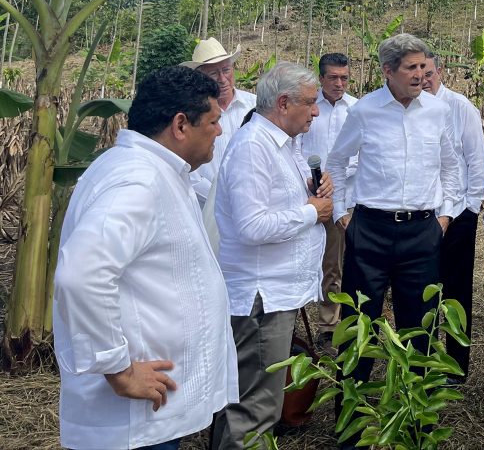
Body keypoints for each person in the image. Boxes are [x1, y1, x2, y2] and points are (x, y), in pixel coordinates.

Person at [53, 66, 237, 450]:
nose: (219, 131)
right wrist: (118, 370)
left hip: (152, 413)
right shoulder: (138, 180)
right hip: (133, 423)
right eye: (215, 121)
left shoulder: (155, 171)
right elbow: (82, 274)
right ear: (181, 125)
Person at [324, 34, 461, 387]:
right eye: (411, 68)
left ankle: (416, 419)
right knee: (358, 325)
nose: (421, 75)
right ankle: (351, 423)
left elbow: (450, 166)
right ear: (388, 71)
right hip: (370, 230)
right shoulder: (365, 111)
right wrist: (342, 212)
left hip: (422, 233)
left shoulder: (437, 111)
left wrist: (444, 217)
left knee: (420, 327)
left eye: (423, 67)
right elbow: (337, 161)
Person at [210, 62, 334, 450]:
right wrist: (311, 212)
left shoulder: (285, 144)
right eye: (311, 103)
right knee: (257, 405)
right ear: (283, 103)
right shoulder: (253, 147)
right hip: (261, 295)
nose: (316, 111)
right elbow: (253, 226)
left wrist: (314, 192)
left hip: (276, 290)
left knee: (252, 397)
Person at [421, 51, 484, 379]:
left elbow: (477, 162)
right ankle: (426, 359)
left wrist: (471, 209)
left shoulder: (461, 108)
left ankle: (457, 364)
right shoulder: (412, 109)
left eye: (430, 72)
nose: (424, 79)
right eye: (419, 72)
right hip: (422, 216)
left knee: (457, 290)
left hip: (458, 214)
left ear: (441, 71)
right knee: (423, 288)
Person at [299, 52, 359, 349]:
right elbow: (298, 148)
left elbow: (363, 155)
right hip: (318, 197)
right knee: (329, 263)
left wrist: (337, 174)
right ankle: (328, 324)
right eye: (333, 77)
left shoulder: (358, 109)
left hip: (351, 197)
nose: (339, 83)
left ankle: (356, 320)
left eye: (344, 78)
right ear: (321, 77)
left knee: (356, 262)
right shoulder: (309, 109)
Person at [181, 37, 256, 208]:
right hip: (205, 208)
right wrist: (219, 199)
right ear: (200, 77)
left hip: (254, 205)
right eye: (214, 73)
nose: (222, 79)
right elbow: (185, 167)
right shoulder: (190, 115)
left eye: (226, 70)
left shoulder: (256, 105)